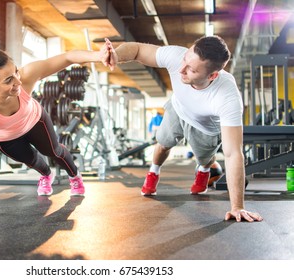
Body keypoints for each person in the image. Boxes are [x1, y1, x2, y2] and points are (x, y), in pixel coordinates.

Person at [102, 36, 263, 222]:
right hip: (177, 110)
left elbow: (233, 153)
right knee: (162, 143)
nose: (181, 70)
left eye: (192, 70)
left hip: (206, 128)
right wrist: (116, 54)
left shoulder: (227, 96)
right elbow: (137, 49)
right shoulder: (176, 56)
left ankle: (204, 169)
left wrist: (238, 207)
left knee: (205, 158)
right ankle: (154, 172)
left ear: (212, 76)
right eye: (186, 59)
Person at [0, 46, 107, 220]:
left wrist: (97, 55)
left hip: (34, 120)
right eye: (9, 80)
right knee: (31, 160)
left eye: (16, 72)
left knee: (54, 151)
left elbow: (68, 57)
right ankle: (47, 175)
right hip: (4, 136)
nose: (18, 82)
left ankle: (74, 176)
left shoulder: (26, 76)